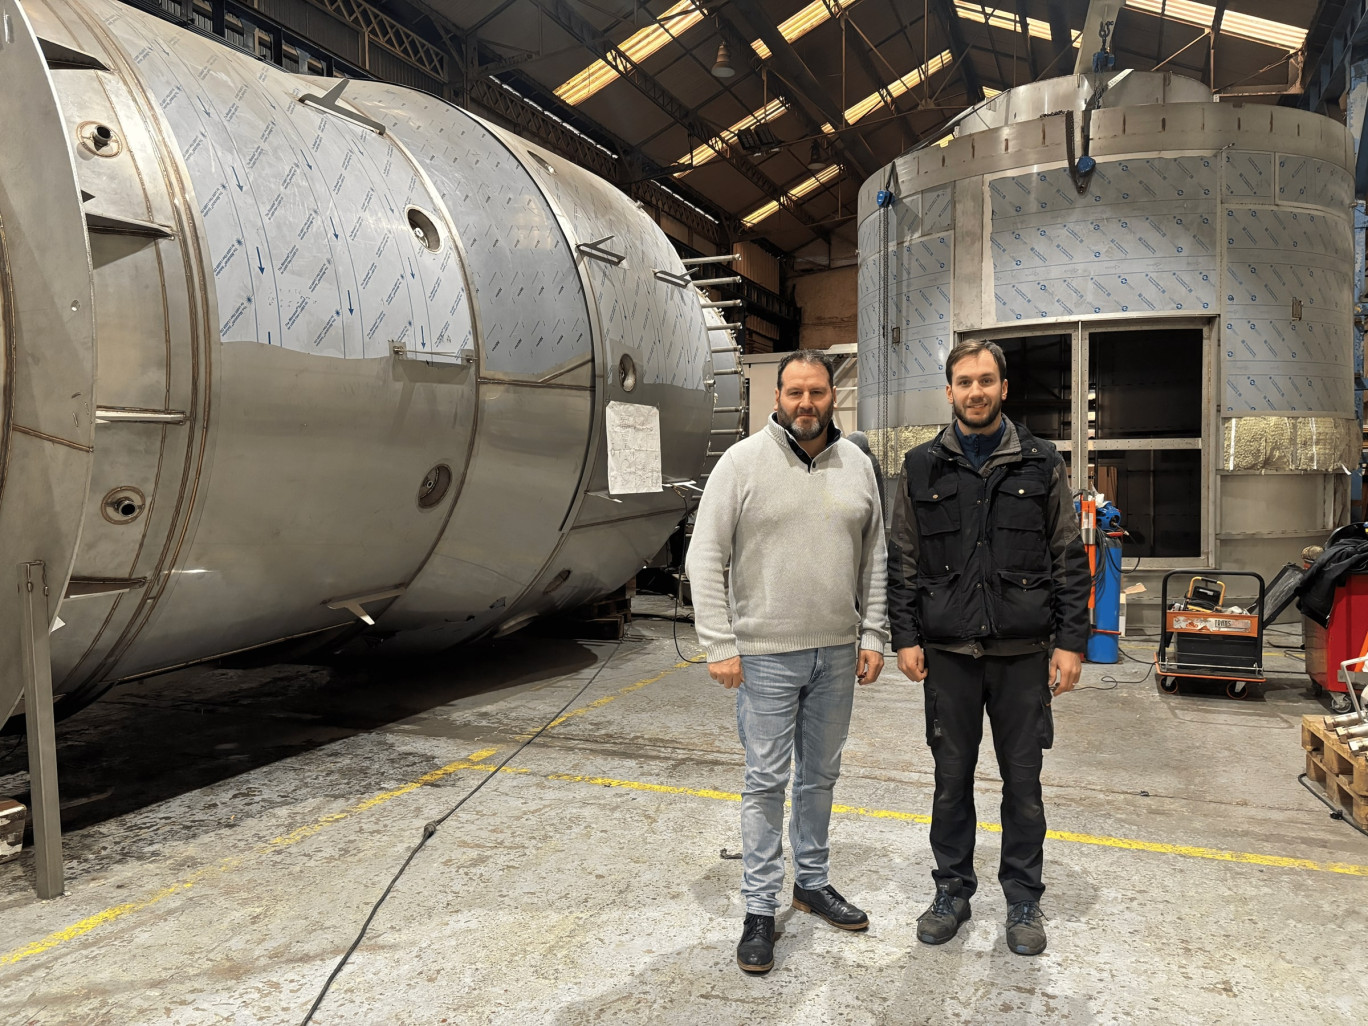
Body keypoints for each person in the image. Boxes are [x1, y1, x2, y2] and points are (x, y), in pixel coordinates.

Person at [686, 348, 890, 975]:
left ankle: (812, 881)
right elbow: (704, 556)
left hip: (836, 652)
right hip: (766, 656)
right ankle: (757, 907)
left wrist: (873, 632)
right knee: (766, 782)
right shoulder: (741, 464)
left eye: (818, 393)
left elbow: (874, 556)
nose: (807, 404)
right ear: (776, 398)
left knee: (820, 776)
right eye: (795, 393)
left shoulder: (856, 464)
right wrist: (719, 644)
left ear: (834, 398)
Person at [886, 339, 1088, 956]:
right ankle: (952, 888)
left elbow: (1067, 557)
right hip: (947, 654)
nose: (975, 391)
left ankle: (1023, 896)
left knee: (1022, 783)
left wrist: (1071, 643)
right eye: (964, 381)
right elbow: (903, 560)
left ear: (1003, 388)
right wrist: (906, 636)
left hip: (1023, 654)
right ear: (948, 391)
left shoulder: (1041, 462)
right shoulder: (920, 467)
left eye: (986, 380)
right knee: (951, 781)